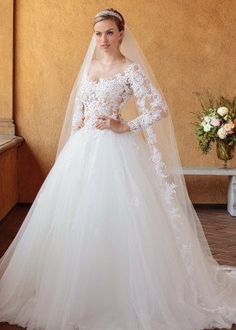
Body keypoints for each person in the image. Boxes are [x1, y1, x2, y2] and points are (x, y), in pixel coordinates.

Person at [0, 7, 236, 330]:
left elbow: (159, 108)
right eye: (98, 34)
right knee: (76, 221)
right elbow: (79, 111)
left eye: (110, 32)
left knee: (123, 220)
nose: (103, 39)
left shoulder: (130, 69)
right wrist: (74, 139)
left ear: (121, 34)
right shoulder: (89, 66)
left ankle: (127, 295)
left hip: (117, 151)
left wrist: (125, 126)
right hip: (82, 150)